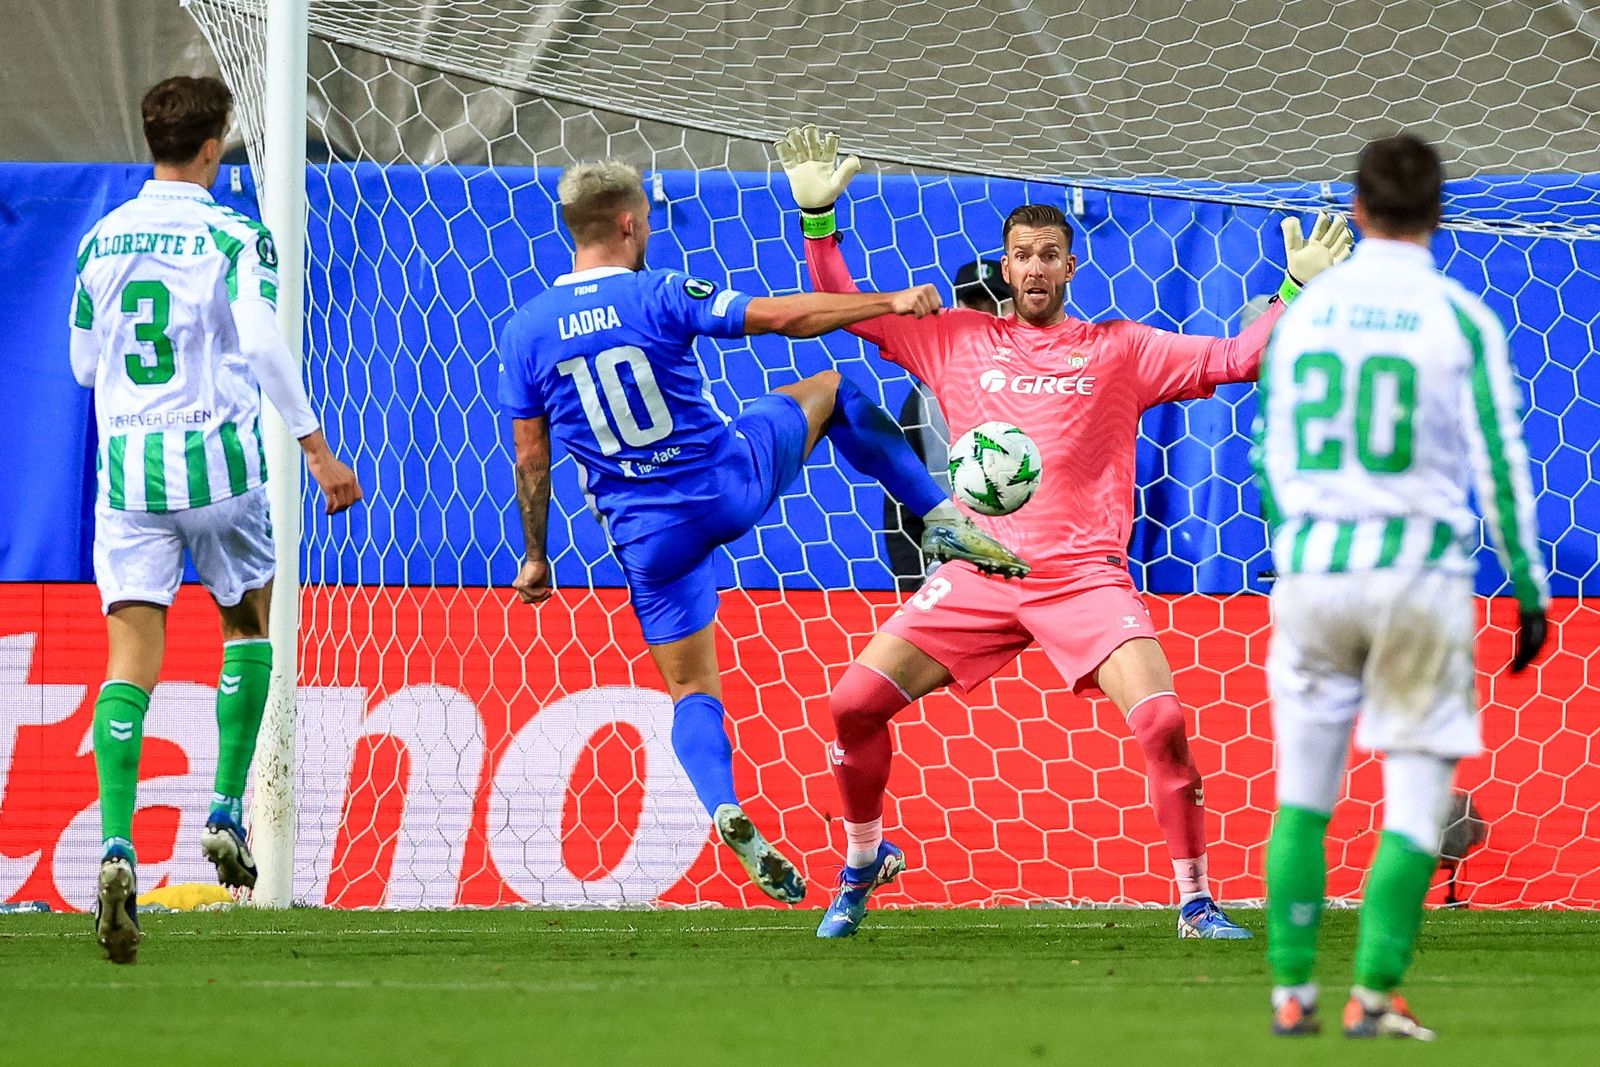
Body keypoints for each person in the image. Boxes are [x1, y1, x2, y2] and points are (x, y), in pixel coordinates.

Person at [774, 124, 1352, 938]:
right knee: (852, 705)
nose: (1036, 265)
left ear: (1070, 266)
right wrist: (819, 217)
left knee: (1162, 722)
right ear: (1004, 268)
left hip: (1085, 578)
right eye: (1023, 253)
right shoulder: (955, 339)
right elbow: (845, 310)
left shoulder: (1120, 350)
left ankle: (1195, 902)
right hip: (981, 572)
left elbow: (1235, 358)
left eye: (1050, 252)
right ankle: (865, 860)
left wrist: (1295, 289)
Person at [496, 160, 1026, 905]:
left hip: (646, 539)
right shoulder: (658, 291)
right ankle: (939, 519)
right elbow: (782, 318)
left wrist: (535, 555)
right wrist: (889, 300)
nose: (647, 228)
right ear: (627, 223)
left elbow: (530, 456)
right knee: (832, 390)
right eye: (644, 218)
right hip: (723, 481)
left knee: (689, 690)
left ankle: (725, 806)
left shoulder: (524, 330)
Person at [1257, 133, 1548, 1040]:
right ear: (1440, 211)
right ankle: (1374, 993)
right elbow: (1500, 460)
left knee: (1303, 796)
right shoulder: (1457, 316)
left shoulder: (1304, 315)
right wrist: (1529, 589)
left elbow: (1269, 453)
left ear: (1355, 209)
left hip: (1312, 572)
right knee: (1416, 795)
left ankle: (1291, 992)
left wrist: (1294, 550)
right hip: (1415, 576)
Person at [70, 76, 363, 963]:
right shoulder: (235, 232)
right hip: (221, 467)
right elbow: (264, 338)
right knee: (247, 621)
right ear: (212, 148)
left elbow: (84, 365)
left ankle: (117, 842)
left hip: (129, 474)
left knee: (131, 656)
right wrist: (315, 446)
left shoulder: (99, 239)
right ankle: (227, 806)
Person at [885, 259, 1010, 587]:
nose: (984, 314)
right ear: (956, 307)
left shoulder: (1049, 383)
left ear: (1012, 308)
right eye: (973, 303)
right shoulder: (927, 397)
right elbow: (901, 498)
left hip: (1043, 576)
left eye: (994, 304)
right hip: (955, 579)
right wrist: (914, 585)